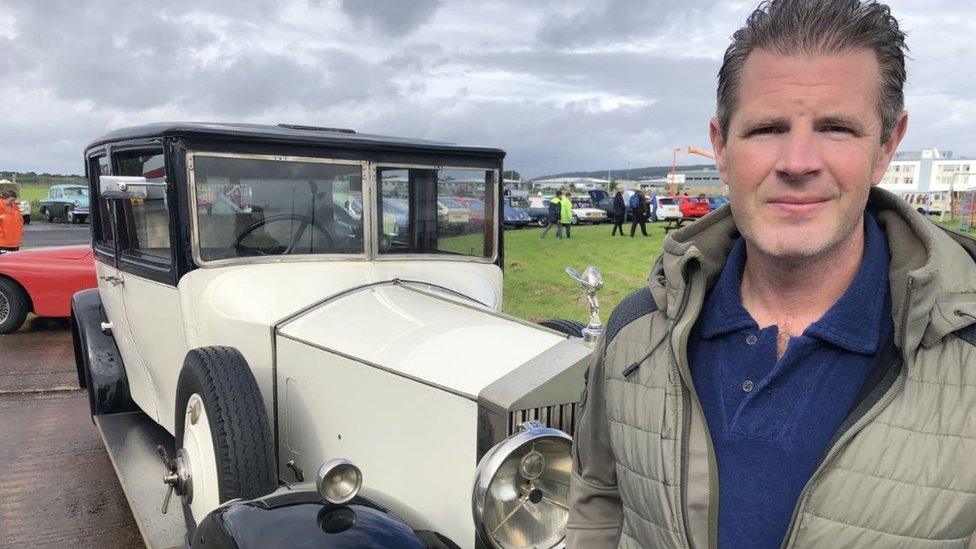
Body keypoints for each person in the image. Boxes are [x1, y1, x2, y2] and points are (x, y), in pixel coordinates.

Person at [568, 1, 976, 548]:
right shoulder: (635, 332)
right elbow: (599, 496)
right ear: (720, 146)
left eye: (836, 127)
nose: (798, 161)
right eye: (766, 128)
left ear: (886, 146)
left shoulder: (965, 348)